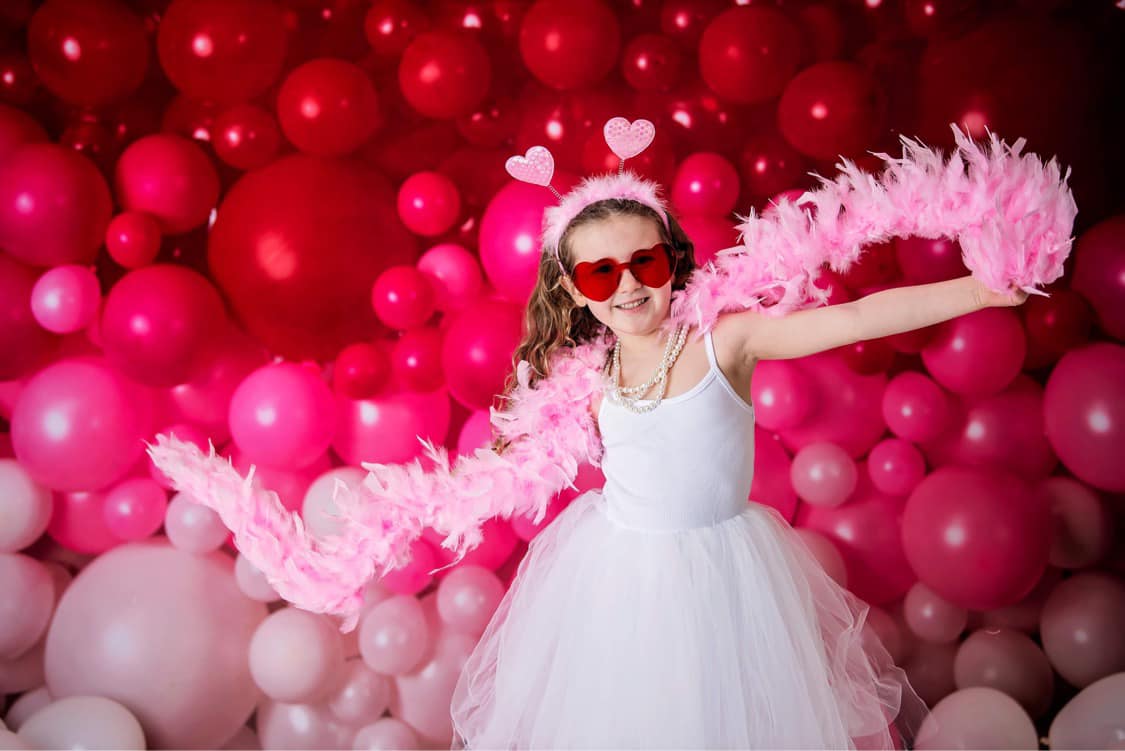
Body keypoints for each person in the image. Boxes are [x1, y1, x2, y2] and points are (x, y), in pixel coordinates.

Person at [147, 117, 1076, 750]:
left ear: (671, 263)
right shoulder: (580, 387)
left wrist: (978, 291)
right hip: (618, 581)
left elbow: (859, 315)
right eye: (599, 276)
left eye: (642, 262)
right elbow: (468, 485)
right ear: (575, 293)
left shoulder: (728, 340)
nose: (626, 286)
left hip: (728, 573)